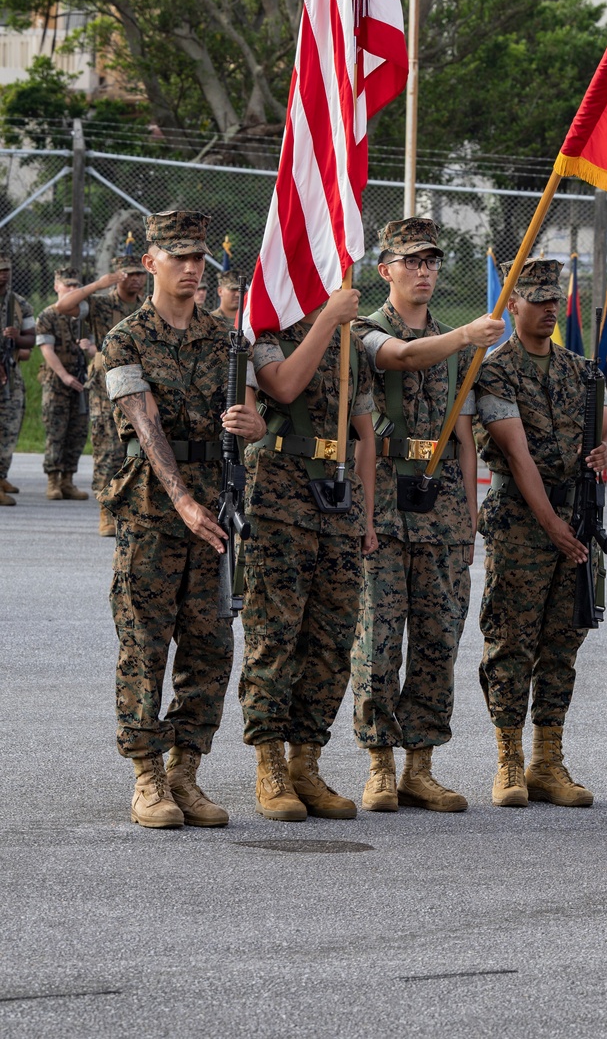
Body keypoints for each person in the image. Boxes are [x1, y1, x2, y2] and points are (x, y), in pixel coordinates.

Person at [102, 211, 266, 830]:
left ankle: (185, 772)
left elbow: (250, 416)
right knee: (144, 644)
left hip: (218, 507)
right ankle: (147, 775)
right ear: (151, 264)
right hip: (153, 510)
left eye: (198, 257)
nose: (193, 268)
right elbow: (145, 428)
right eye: (179, 257)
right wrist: (182, 500)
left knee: (211, 645)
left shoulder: (228, 340)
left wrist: (255, 427)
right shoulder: (126, 339)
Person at [351, 218, 504, 814]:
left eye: (432, 262)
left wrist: (469, 519)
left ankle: (420, 765)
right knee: (379, 643)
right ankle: (379, 764)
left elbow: (464, 438)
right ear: (385, 270)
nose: (423, 272)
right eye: (410, 262)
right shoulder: (365, 332)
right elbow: (404, 358)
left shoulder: (459, 351)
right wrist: (468, 335)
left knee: (439, 639)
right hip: (383, 507)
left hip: (440, 511)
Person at [475, 258, 607, 809]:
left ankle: (548, 758)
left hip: (577, 519)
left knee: (563, 641)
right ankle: (509, 759)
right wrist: (552, 527)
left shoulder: (581, 372)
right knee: (512, 641)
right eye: (535, 299)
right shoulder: (497, 370)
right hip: (521, 522)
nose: (547, 309)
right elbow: (516, 455)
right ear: (512, 305)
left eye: (553, 300)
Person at [240, 286, 378, 822]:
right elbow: (284, 384)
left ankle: (306, 761)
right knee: (276, 635)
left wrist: (366, 516)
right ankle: (269, 763)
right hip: (280, 500)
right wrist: (329, 322)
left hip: (339, 504)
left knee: (331, 639)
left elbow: (364, 436)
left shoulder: (351, 343)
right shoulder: (268, 333)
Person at [53, 248, 149, 535]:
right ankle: (107, 513)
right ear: (117, 276)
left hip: (140, 385)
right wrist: (98, 284)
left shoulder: (147, 307)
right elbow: (63, 307)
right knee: (108, 450)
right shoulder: (101, 304)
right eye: (129, 274)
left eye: (140, 274)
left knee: (141, 449)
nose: (135, 279)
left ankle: (133, 511)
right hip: (105, 390)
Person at [35, 268, 90, 501]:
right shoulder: (47, 315)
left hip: (80, 380)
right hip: (56, 382)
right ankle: (53, 480)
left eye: (75, 286)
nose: (72, 290)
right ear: (57, 287)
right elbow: (46, 350)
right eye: (67, 286)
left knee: (77, 431)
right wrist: (64, 375)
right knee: (56, 431)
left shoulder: (82, 316)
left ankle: (68, 480)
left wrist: (89, 347)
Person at [0, 256, 37, 507]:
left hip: (10, 372)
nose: (4, 274)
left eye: (7, 270)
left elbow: (31, 339)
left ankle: (1, 476)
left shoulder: (19, 303)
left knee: (10, 425)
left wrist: (17, 337)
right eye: (0, 270)